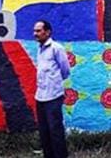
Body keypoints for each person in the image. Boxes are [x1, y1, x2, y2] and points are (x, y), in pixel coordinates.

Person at [34, 20, 70, 158]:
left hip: (53, 96)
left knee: (55, 131)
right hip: (40, 96)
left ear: (47, 32)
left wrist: (54, 83)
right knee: (44, 131)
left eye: (38, 31)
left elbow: (65, 70)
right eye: (35, 31)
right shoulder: (40, 48)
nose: (35, 34)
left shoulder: (56, 48)